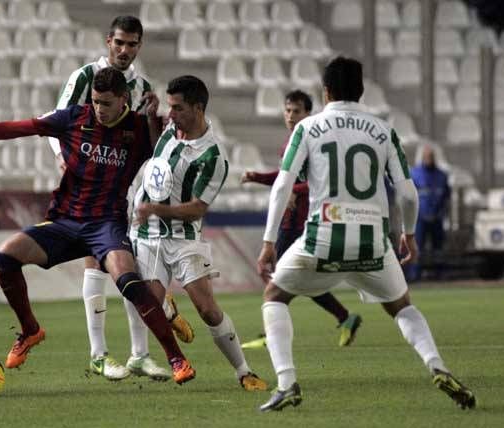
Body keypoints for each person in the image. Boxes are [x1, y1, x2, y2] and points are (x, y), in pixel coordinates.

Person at [0, 67, 196, 385]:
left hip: (105, 225)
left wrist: (156, 121)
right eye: (96, 102)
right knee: (5, 255)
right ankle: (30, 330)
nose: (99, 109)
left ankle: (176, 358)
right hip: (65, 222)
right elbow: (15, 128)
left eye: (107, 103)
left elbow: (163, 161)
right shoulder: (73, 118)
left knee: (128, 279)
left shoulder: (139, 128)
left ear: (124, 99)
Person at [256, 57, 475, 412]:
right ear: (362, 91)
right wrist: (410, 235)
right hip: (373, 241)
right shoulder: (383, 129)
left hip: (324, 237)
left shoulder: (307, 128)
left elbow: (282, 185)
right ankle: (437, 365)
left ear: (325, 91)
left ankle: (286, 383)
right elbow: (406, 192)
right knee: (402, 306)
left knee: (275, 295)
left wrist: (268, 242)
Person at [49, 15, 192, 382]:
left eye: (132, 45)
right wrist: (64, 159)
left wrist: (155, 119)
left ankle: (140, 354)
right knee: (94, 261)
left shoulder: (142, 86)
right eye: (119, 43)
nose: (124, 50)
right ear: (107, 41)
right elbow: (54, 122)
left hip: (122, 183)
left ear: (139, 46)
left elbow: (150, 140)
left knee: (129, 265)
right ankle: (100, 353)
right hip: (86, 179)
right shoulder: (84, 78)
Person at [130, 76, 268, 391]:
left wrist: (155, 209)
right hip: (147, 234)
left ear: (198, 108)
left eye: (178, 108)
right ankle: (167, 310)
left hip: (183, 238)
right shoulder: (169, 129)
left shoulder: (213, 157)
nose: (172, 113)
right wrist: (153, 119)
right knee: (149, 304)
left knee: (207, 309)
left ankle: (244, 372)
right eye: (169, 106)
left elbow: (197, 209)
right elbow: (157, 158)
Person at [241, 90, 362, 348]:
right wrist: (258, 177)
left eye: (296, 111)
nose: (291, 116)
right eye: (287, 110)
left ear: (309, 113)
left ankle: (272, 333)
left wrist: (294, 192)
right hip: (291, 221)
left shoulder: (312, 141)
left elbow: (318, 182)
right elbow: (286, 177)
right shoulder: (291, 142)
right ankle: (344, 316)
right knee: (297, 281)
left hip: (300, 222)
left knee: (275, 275)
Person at [406, 144, 450, 281]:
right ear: (422, 157)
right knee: (417, 247)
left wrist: (442, 213)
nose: (429, 159)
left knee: (438, 249)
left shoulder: (442, 176)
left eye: (431, 156)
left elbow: (446, 196)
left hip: (437, 218)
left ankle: (439, 273)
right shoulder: (414, 174)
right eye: (426, 156)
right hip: (420, 218)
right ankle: (415, 275)